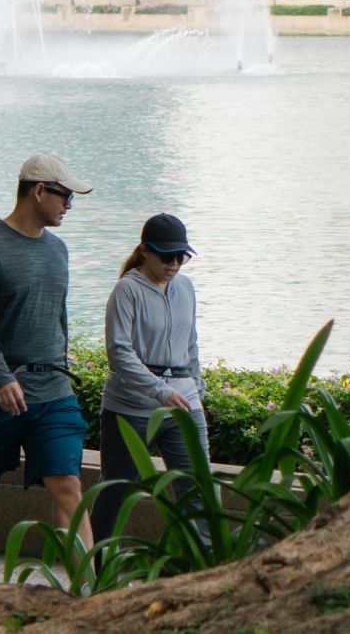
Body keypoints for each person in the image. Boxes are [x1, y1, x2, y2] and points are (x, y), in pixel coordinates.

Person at [0, 153, 94, 586]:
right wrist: (1, 378)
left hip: (54, 392)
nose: (69, 206)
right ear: (39, 191)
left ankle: (87, 587)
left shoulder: (58, 250)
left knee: (68, 486)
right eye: (65, 196)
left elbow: (57, 319)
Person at [88, 213, 209, 541]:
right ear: (145, 251)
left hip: (184, 403)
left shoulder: (185, 287)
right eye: (166, 256)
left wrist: (196, 387)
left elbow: (191, 342)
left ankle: (204, 574)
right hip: (130, 407)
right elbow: (119, 353)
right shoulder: (127, 290)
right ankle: (95, 573)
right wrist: (159, 391)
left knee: (197, 491)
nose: (174, 263)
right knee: (117, 490)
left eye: (181, 257)